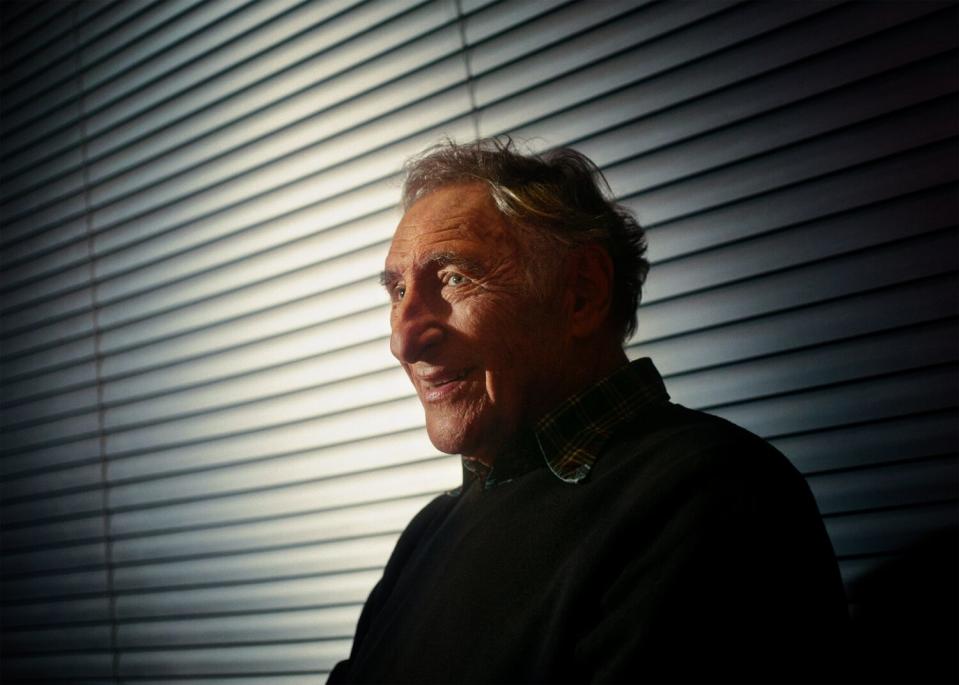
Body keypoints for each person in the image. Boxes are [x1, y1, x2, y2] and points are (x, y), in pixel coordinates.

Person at [328, 138, 848, 684]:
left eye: (455, 278)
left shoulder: (716, 495)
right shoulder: (429, 533)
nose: (404, 340)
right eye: (399, 291)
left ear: (580, 293)